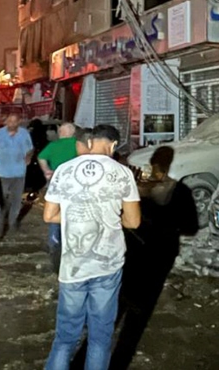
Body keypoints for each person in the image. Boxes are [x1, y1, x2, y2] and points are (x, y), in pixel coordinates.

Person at [43, 125, 141, 370]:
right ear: (113, 145)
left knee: (65, 337)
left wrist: (78, 216)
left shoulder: (64, 170)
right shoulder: (123, 173)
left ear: (89, 143)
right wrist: (103, 218)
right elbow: (133, 221)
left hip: (73, 266)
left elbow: (49, 215)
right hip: (107, 264)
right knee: (100, 338)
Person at [110, 146, 198, 370]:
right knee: (136, 323)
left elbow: (123, 219)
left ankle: (83, 362)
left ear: (152, 164)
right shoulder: (182, 192)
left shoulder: (140, 191)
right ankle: (119, 364)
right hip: (159, 262)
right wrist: (170, 225)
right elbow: (192, 227)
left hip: (133, 259)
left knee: (111, 316)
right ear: (169, 165)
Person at [38, 123, 79, 269]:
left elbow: (41, 157)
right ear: (73, 133)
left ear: (62, 132)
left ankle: (53, 243)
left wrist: (47, 171)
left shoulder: (53, 145)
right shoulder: (78, 144)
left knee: (54, 214)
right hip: (75, 186)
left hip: (56, 183)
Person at [0, 112, 34, 238]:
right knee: (0, 202)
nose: (12, 124)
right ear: (5, 122)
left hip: (19, 172)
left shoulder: (24, 134)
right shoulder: (0, 134)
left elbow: (30, 149)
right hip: (2, 173)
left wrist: (28, 157)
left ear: (19, 122)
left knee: (15, 201)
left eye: (15, 121)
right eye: (10, 121)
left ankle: (12, 226)